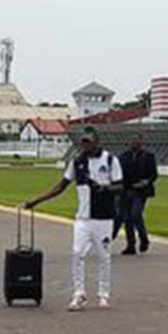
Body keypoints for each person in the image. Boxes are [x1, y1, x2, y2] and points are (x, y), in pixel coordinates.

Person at [24, 129, 123, 311]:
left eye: (89, 142)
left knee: (103, 257)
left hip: (103, 218)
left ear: (97, 142)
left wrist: (104, 188)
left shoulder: (110, 160)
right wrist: (36, 200)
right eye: (83, 142)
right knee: (77, 253)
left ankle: (103, 294)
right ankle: (79, 293)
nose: (85, 145)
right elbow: (61, 186)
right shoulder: (77, 162)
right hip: (83, 218)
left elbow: (119, 186)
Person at [115, 133, 158, 255]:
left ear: (141, 142)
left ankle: (143, 239)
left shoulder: (148, 156)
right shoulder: (124, 156)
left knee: (136, 214)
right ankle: (131, 244)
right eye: (132, 140)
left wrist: (146, 181)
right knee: (127, 218)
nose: (134, 143)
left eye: (136, 140)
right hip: (126, 190)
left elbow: (154, 174)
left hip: (140, 191)